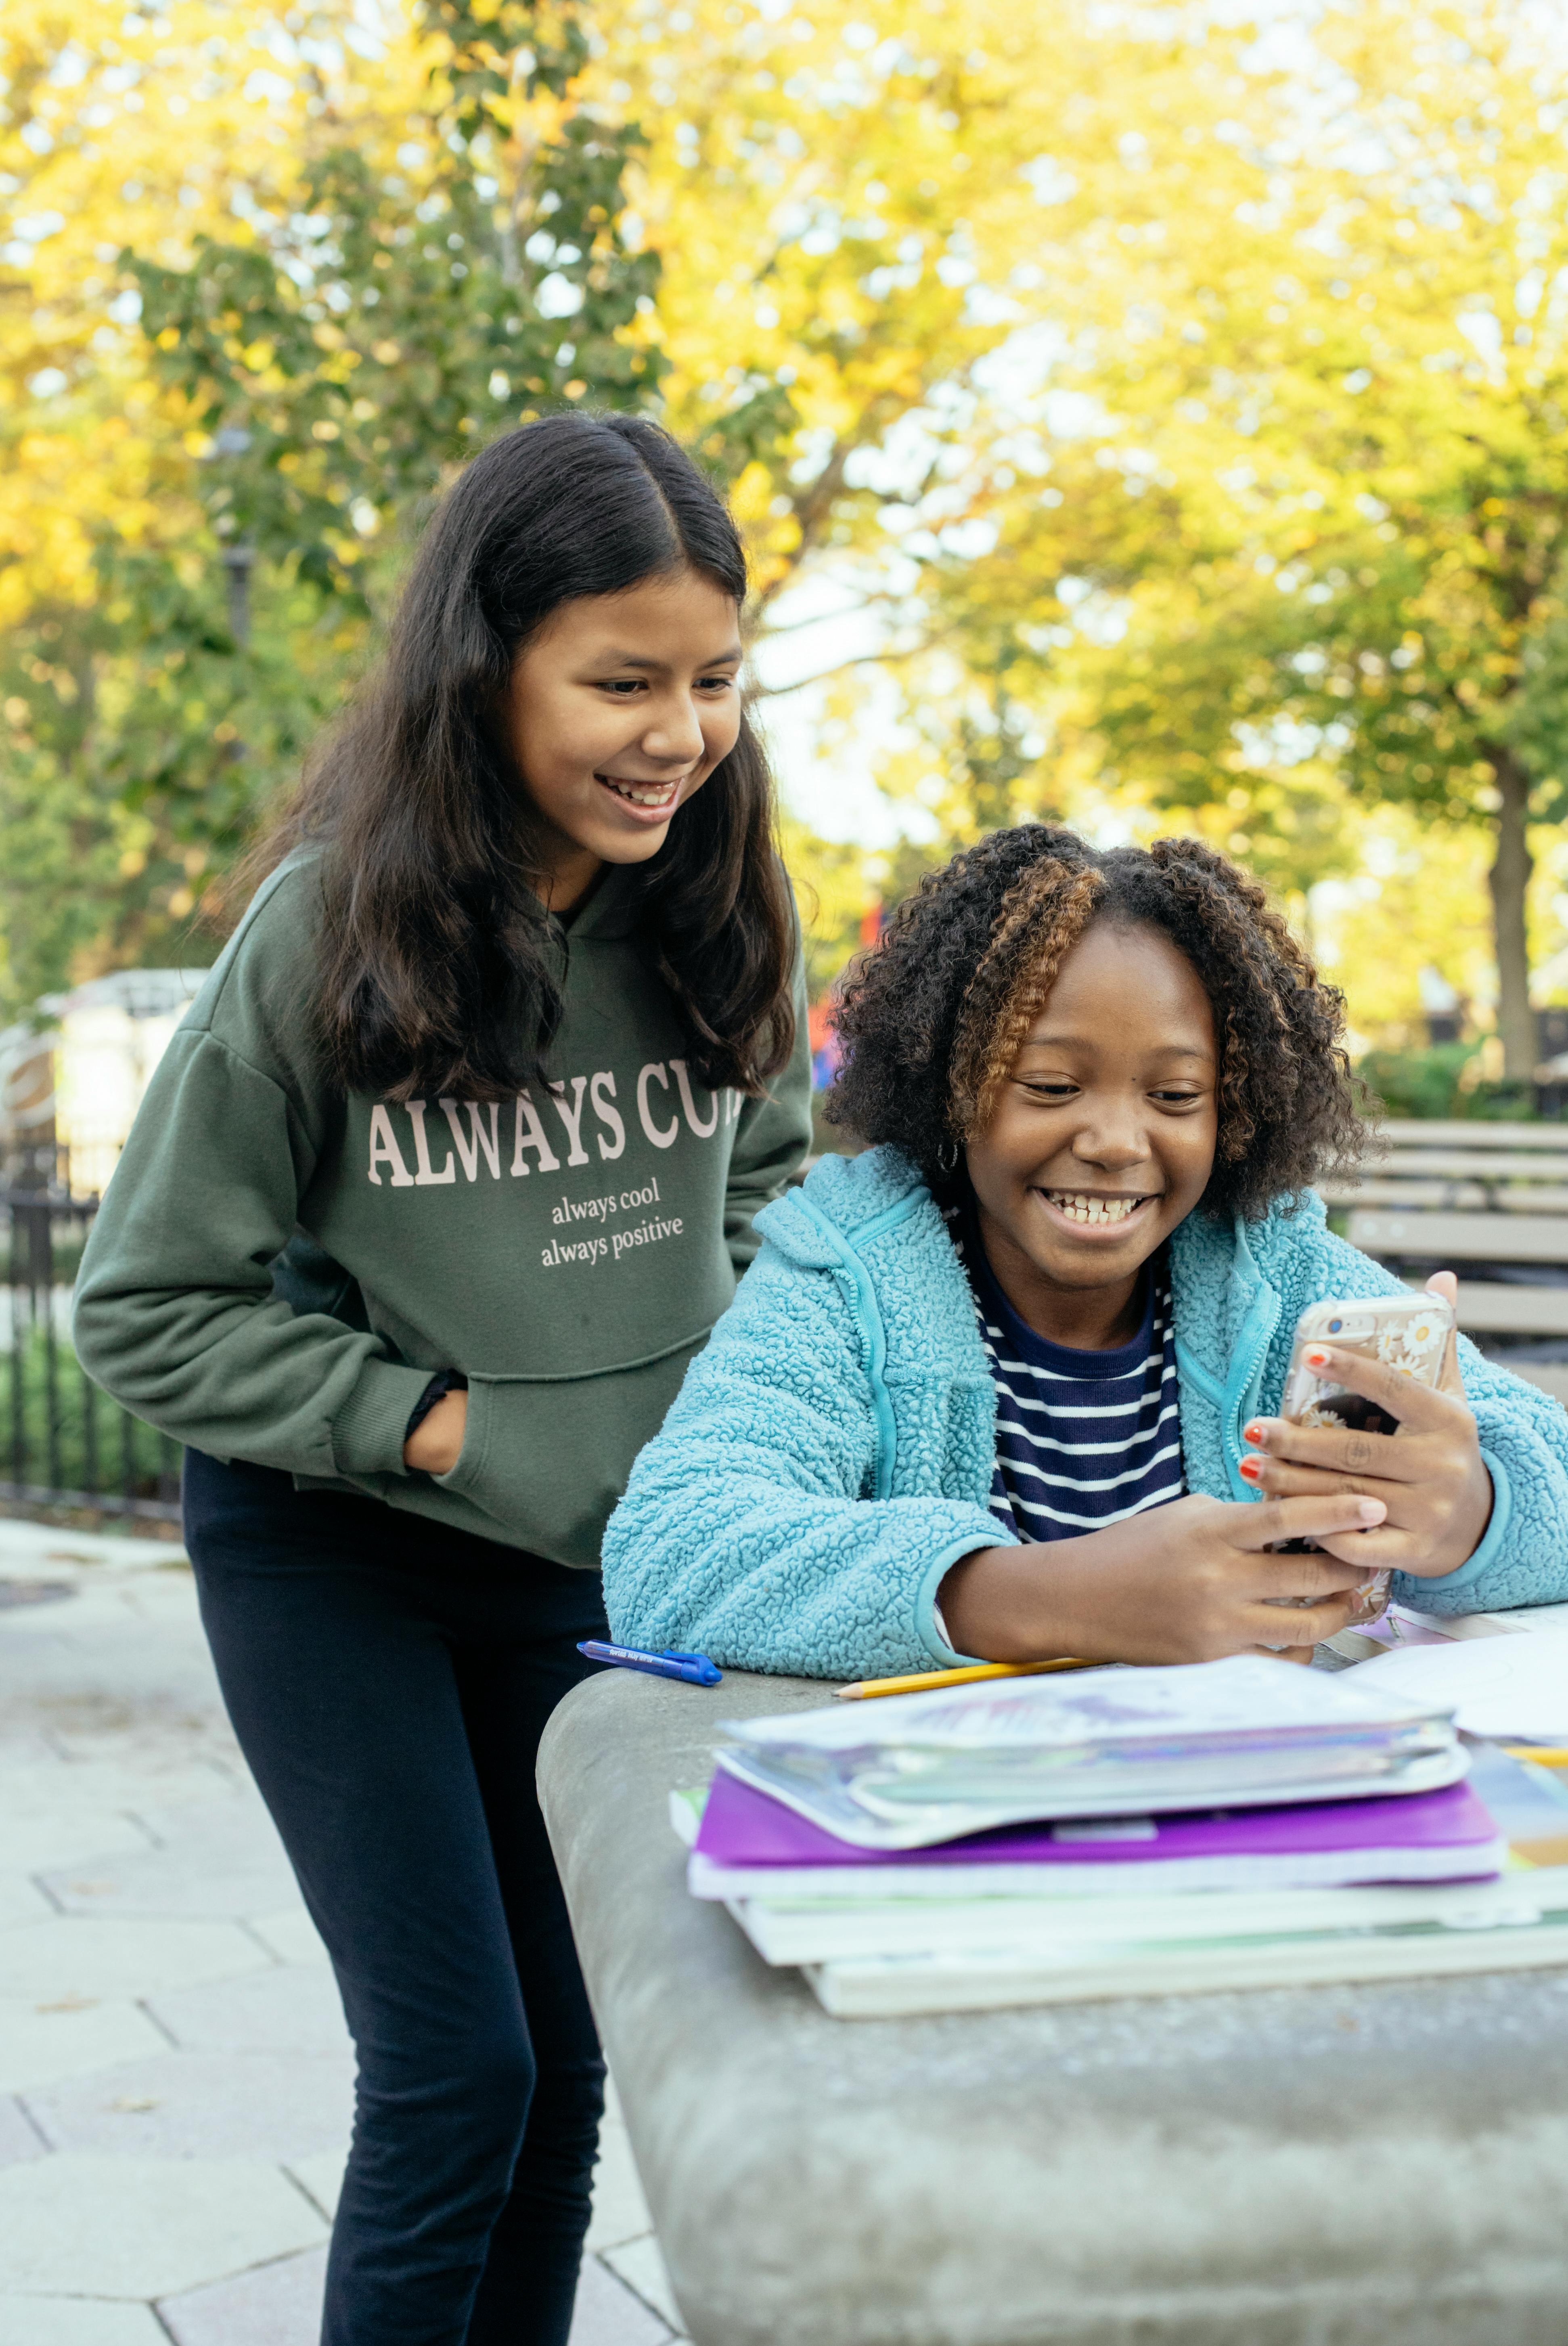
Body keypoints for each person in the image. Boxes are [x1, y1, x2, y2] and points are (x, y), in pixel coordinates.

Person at [72, 413, 812, 2346]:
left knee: (570, 2083)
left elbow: (776, 1185)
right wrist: (433, 1419)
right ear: (486, 672)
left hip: (590, 1573)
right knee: (453, 2070)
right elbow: (145, 1302)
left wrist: (703, 1404)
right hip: (348, 1561)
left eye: (713, 678)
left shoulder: (715, 916)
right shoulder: (329, 937)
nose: (678, 731)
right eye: (621, 681)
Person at [602, 826, 1568, 1679]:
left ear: (1234, 1110)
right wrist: (1045, 1596)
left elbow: (1552, 1490)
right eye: (1051, 1085)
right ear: (949, 1086)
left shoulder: (1275, 1272)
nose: (1115, 1140)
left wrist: (1472, 1508)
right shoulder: (848, 1276)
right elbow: (672, 1549)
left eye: (1175, 1097)